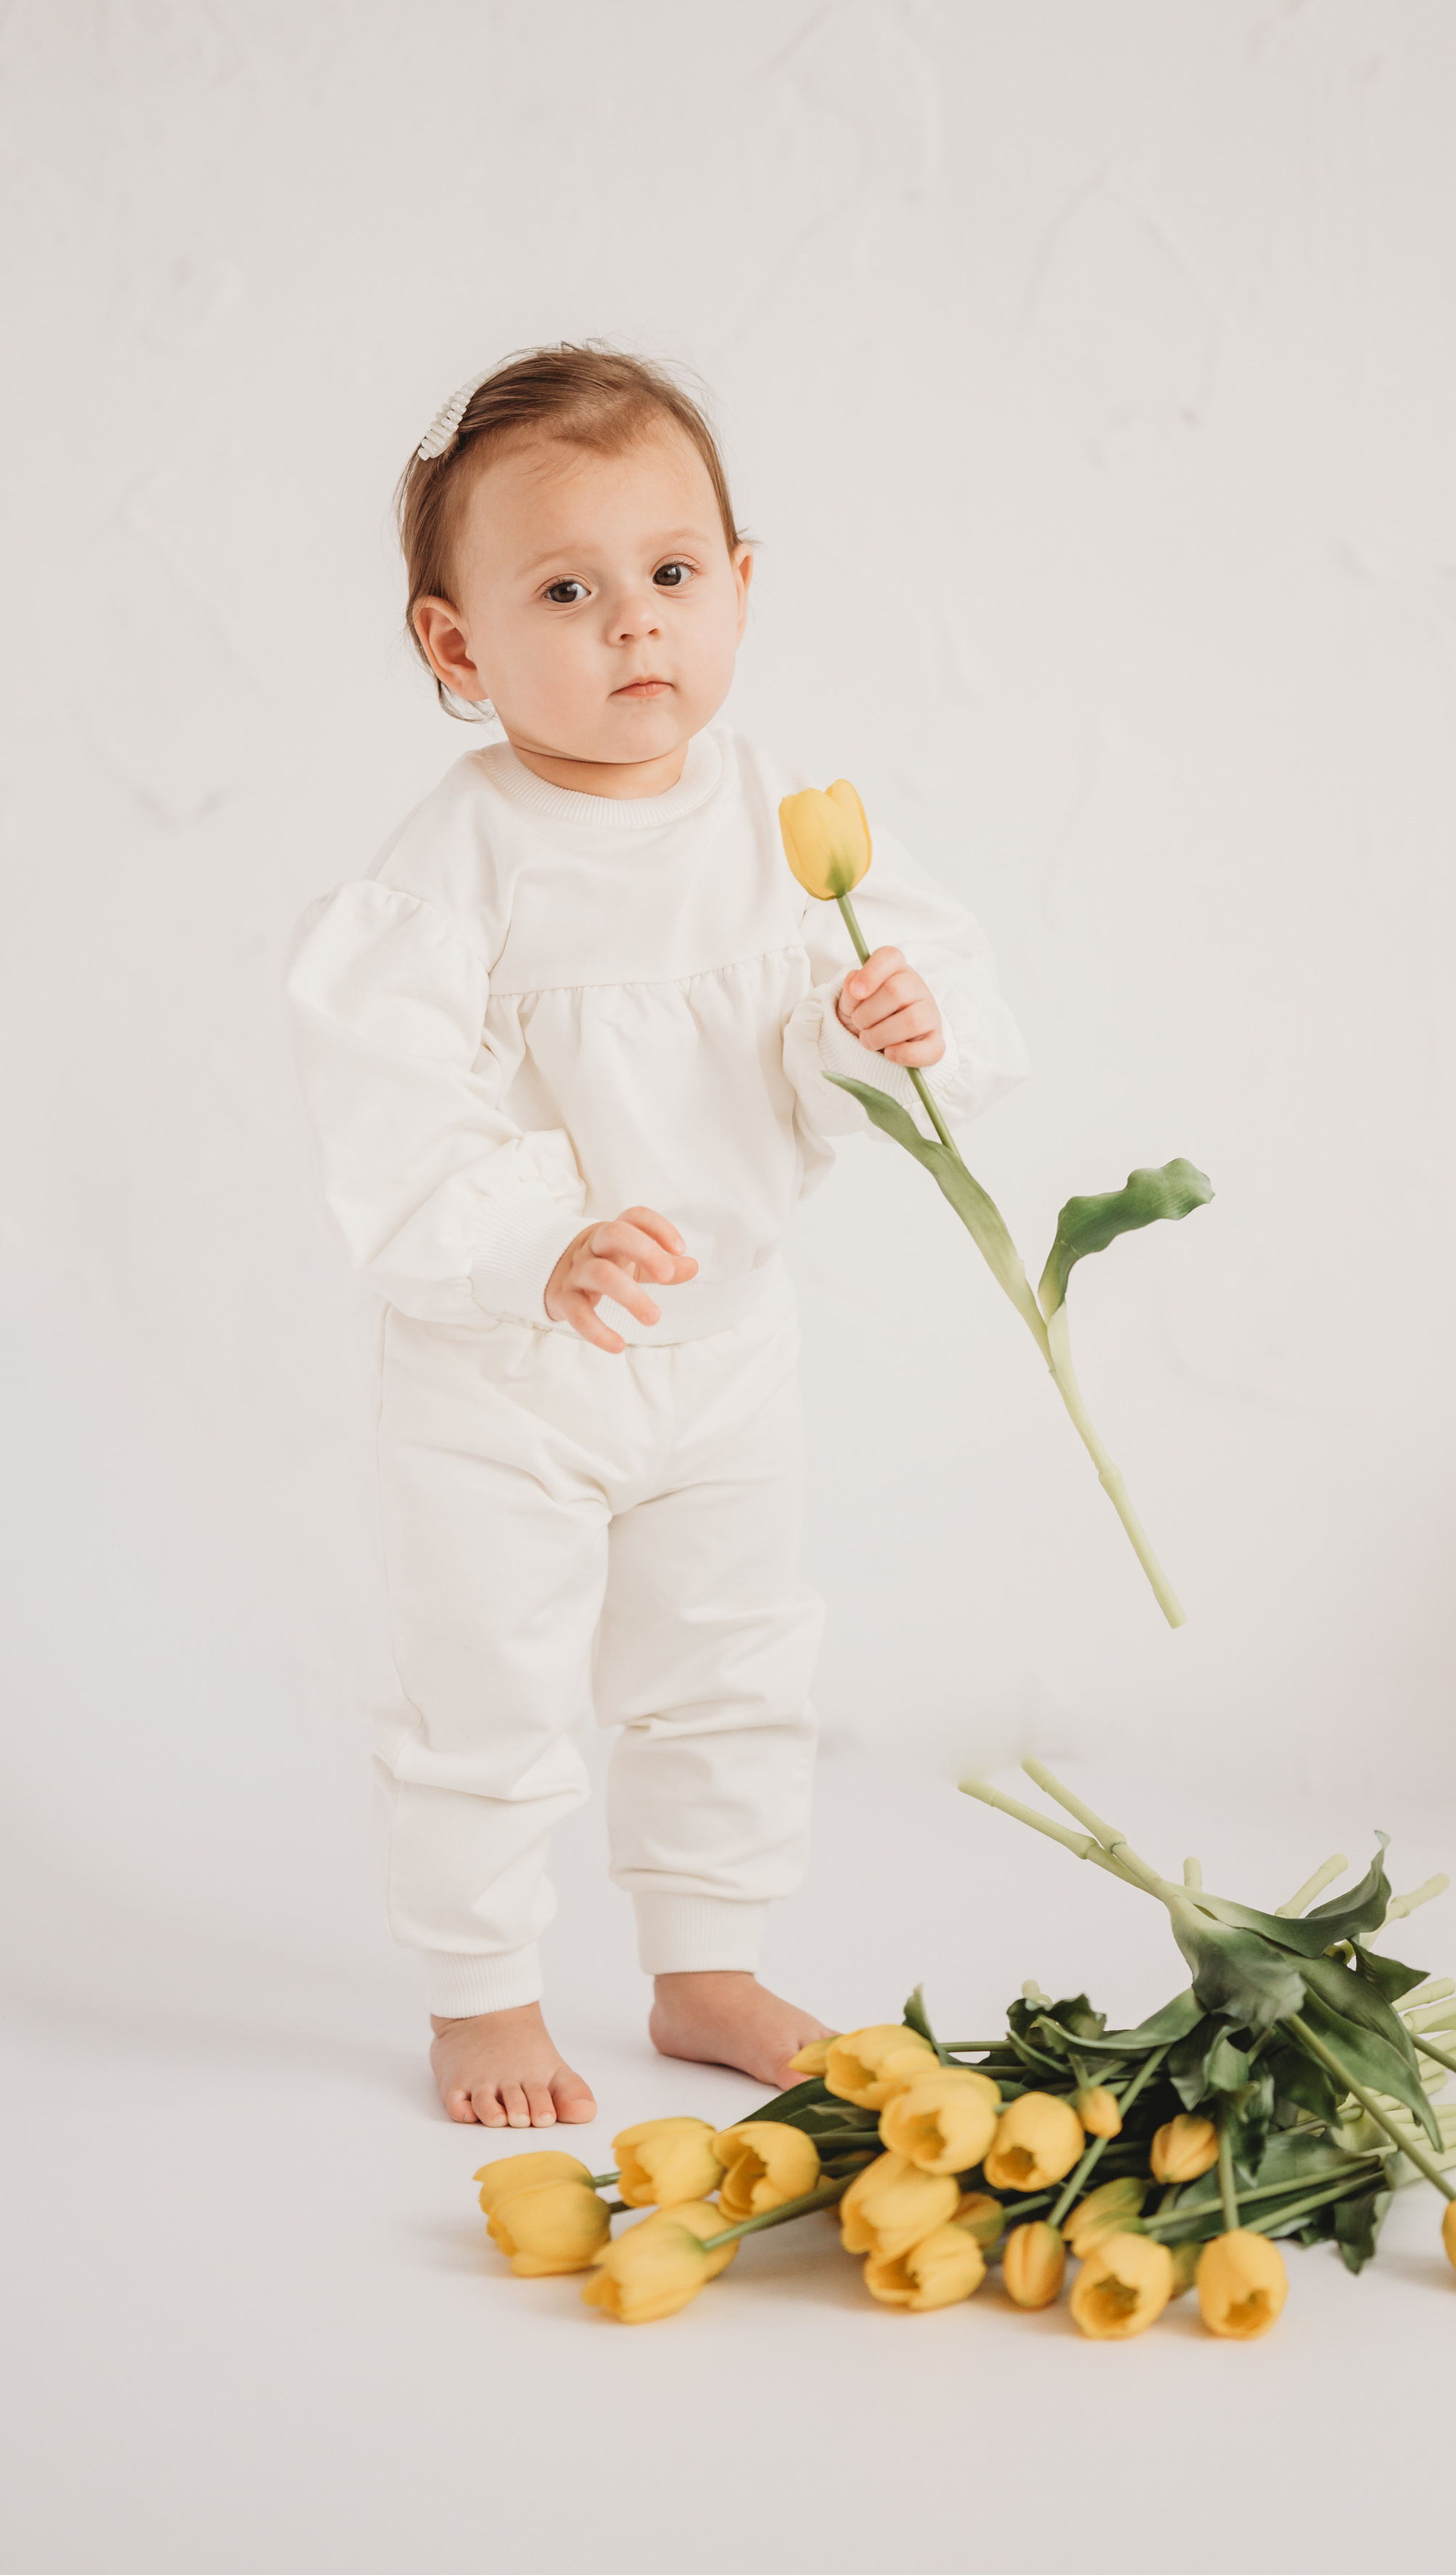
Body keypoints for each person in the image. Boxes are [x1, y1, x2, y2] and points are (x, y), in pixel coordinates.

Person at [286, 345, 1027, 2127]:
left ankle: (705, 1962)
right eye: (565, 589)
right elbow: (392, 1106)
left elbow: (892, 1021)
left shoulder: (790, 823)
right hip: (506, 1370)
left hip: (725, 1351)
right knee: (488, 1685)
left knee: (731, 1664)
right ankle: (481, 1989)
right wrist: (532, 1238)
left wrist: (888, 1028)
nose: (635, 622)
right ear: (457, 644)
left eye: (672, 572)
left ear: (741, 585)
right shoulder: (454, 862)